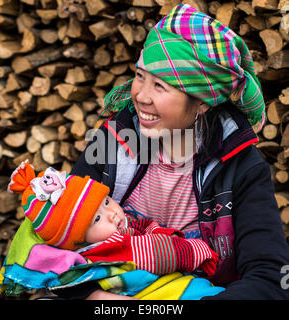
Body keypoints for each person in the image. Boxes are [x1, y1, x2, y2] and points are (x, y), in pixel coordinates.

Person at [60, 4, 289, 300]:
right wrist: (93, 297)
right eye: (140, 75)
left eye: (160, 85)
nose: (141, 95)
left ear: (203, 102)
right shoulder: (112, 142)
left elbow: (270, 276)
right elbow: (53, 238)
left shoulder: (240, 165)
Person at [8, 159, 219, 278]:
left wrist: (155, 229)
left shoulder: (112, 231)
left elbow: (139, 225)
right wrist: (198, 252)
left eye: (107, 201)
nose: (113, 213)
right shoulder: (110, 249)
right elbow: (161, 254)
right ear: (77, 241)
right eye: (97, 219)